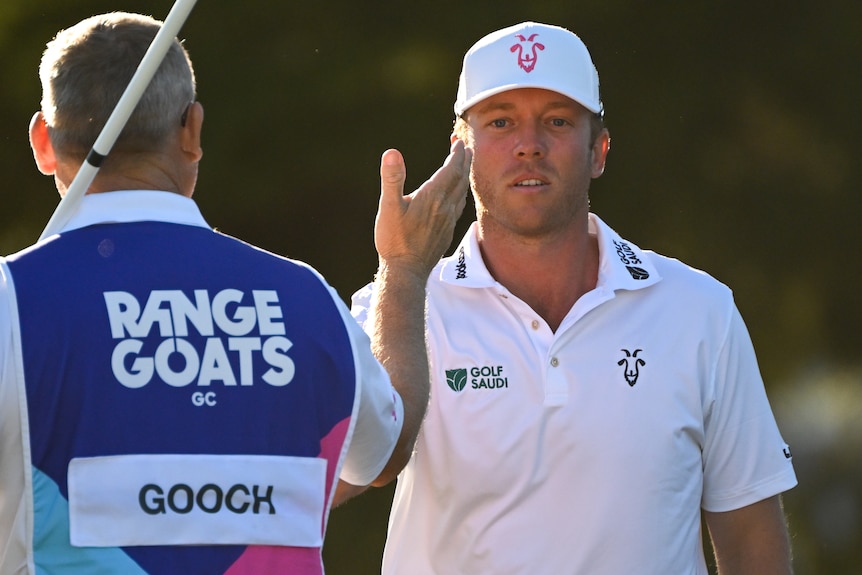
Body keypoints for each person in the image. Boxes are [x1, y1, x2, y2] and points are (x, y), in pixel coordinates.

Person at [0, 12, 470, 574]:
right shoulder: (305, 301)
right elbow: (384, 448)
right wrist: (405, 268)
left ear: (43, 143)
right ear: (192, 131)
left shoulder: (12, 302)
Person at [350, 21, 797, 574]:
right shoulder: (394, 307)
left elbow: (752, 538)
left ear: (599, 151)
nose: (529, 144)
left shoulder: (699, 311)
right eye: (500, 121)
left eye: (557, 121)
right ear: (461, 153)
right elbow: (320, 477)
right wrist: (402, 272)